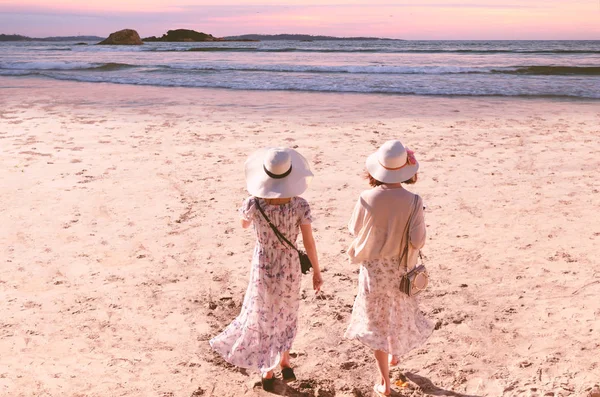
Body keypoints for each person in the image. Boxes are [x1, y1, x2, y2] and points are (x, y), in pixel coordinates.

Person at [210, 147, 323, 391]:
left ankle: (268, 370)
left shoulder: (253, 203)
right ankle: (285, 360)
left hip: (264, 264)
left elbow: (242, 224)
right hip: (290, 264)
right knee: (287, 312)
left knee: (264, 314)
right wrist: (316, 271)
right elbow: (309, 242)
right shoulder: (300, 205)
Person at [344, 140, 433, 397]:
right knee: (397, 312)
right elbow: (418, 240)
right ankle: (395, 355)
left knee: (377, 321)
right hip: (401, 268)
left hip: (374, 269)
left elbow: (354, 229)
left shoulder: (366, 197)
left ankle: (385, 383)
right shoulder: (414, 201)